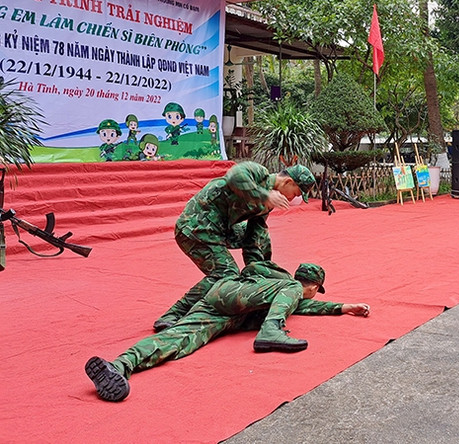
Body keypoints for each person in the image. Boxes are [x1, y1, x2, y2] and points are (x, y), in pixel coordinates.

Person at [85, 262, 370, 402]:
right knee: (290, 297)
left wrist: (343, 307)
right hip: (233, 299)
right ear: (313, 286)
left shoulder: (284, 292)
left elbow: (302, 307)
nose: (313, 297)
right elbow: (299, 300)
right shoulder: (290, 286)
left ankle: (119, 365)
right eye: (316, 292)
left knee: (177, 341)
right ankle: (271, 331)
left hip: (220, 309)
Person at [152, 161, 316, 332]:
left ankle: (257, 273)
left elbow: (255, 237)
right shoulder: (259, 172)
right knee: (225, 275)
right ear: (287, 182)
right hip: (195, 226)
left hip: (219, 229)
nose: (292, 199)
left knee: (260, 235)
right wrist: (264, 195)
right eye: (296, 193)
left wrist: (256, 273)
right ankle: (173, 314)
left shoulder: (267, 203)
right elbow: (235, 176)